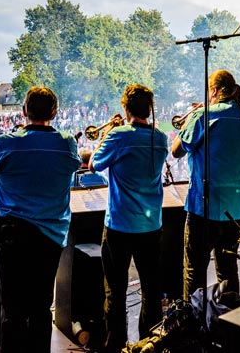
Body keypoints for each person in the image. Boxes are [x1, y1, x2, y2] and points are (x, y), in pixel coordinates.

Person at [0, 86, 81, 352]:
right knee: (41, 308)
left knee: (12, 310)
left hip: (11, 233)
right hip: (50, 237)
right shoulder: (66, 143)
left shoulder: (6, 142)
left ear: (24, 110)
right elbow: (74, 165)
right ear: (54, 112)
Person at [89, 84, 169, 353]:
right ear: (150, 109)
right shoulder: (160, 138)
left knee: (115, 290)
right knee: (151, 289)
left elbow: (94, 164)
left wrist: (109, 131)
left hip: (120, 225)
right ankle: (149, 345)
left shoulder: (118, 135)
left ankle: (116, 346)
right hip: (151, 224)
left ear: (125, 108)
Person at [171, 70, 240, 300]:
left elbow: (176, 151)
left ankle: (193, 319)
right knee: (228, 269)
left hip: (205, 207)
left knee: (195, 271)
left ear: (213, 91)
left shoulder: (203, 115)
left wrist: (194, 117)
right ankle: (229, 315)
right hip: (236, 210)